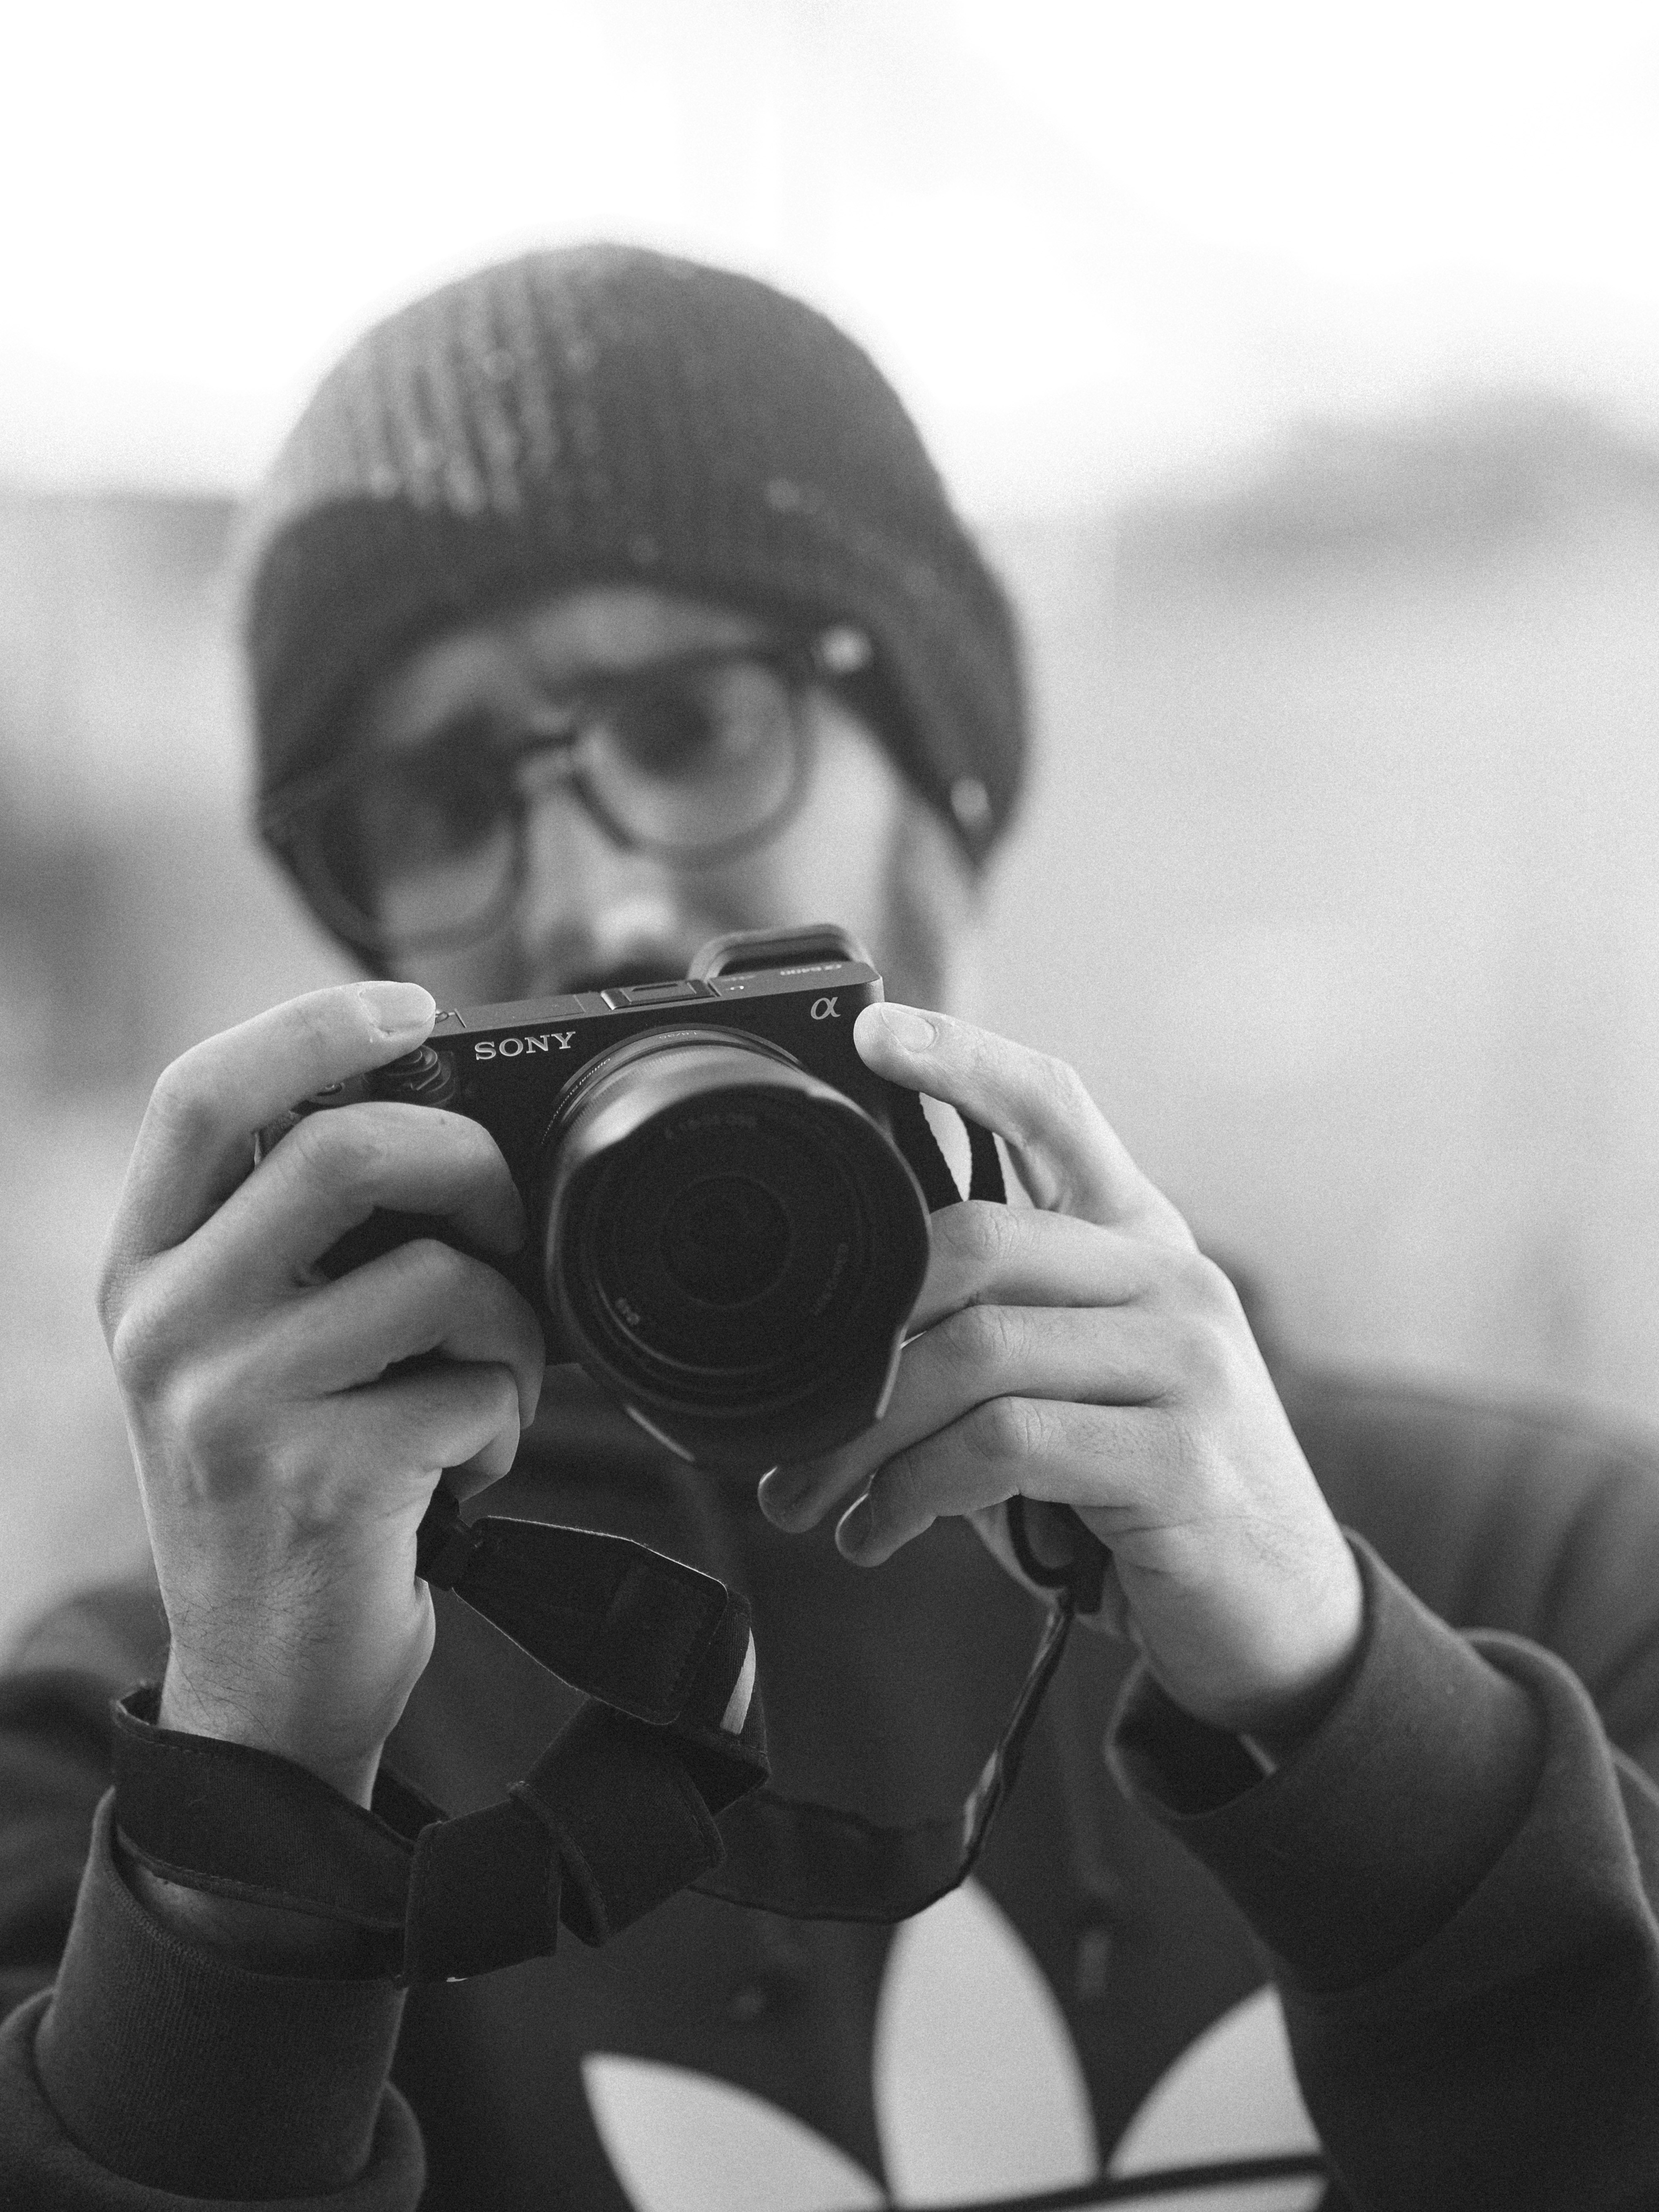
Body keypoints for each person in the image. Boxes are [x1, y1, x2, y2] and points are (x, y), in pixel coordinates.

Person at [2, 244, 1658, 2212]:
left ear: (943, 787)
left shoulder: (1555, 1569)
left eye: (694, 724)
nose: (602, 904)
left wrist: (1348, 1710)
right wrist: (249, 1828)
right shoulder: (141, 1731)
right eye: (446, 795)